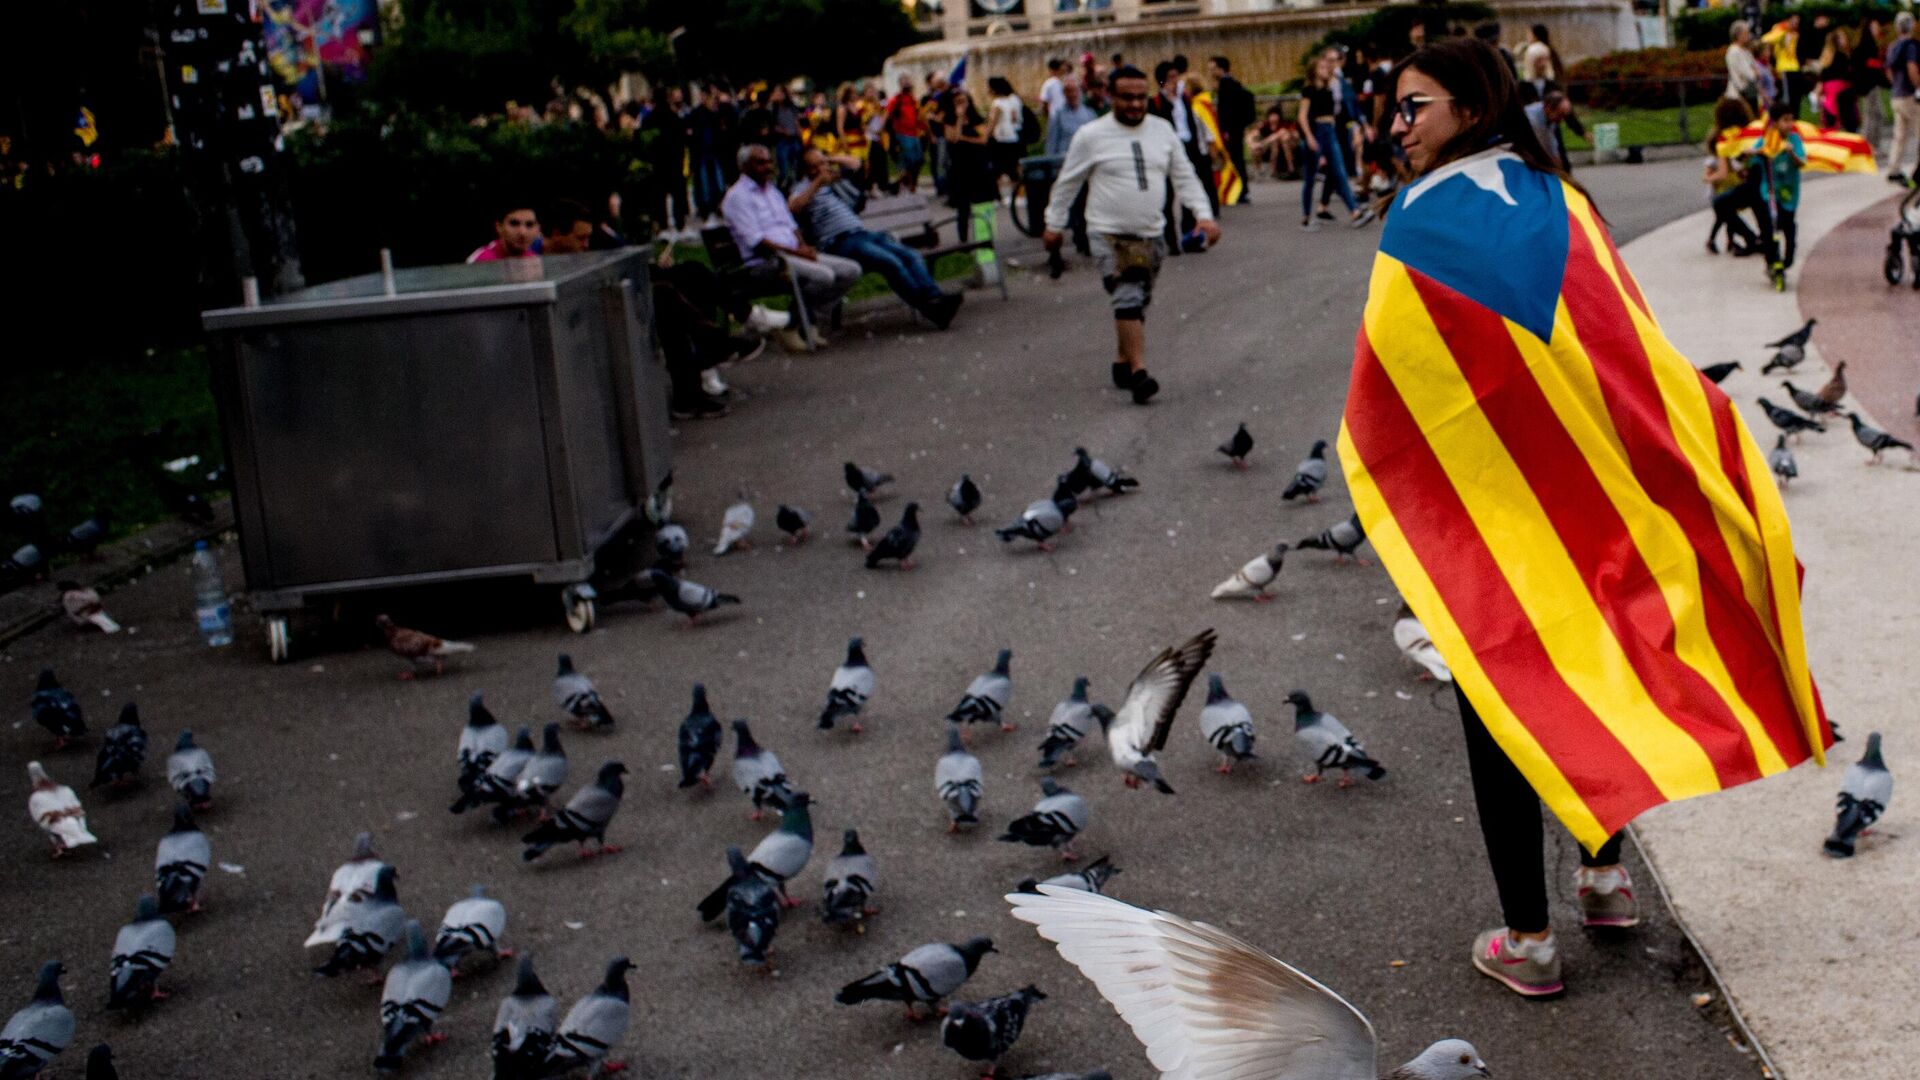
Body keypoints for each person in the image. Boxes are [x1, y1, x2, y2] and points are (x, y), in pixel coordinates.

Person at [1365, 37, 1821, 1001]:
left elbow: (1397, 392)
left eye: (1412, 108)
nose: (1393, 127)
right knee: (1591, 675)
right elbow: (1628, 350)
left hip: (1494, 512)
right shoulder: (1562, 200)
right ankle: (1605, 879)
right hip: (1594, 500)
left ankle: (1529, 939)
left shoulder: (1420, 221)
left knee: (1502, 698)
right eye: (1393, 110)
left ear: (1471, 108)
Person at [1042, 66, 1219, 406]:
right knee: (1127, 294)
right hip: (1107, 233)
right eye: (1127, 97)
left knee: (1138, 302)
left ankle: (1123, 360)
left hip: (1152, 233)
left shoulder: (1162, 131)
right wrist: (1054, 224)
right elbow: (1068, 183)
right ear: (1110, 96)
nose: (1136, 105)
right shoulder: (1091, 135)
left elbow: (1185, 177)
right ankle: (1139, 372)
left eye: (1141, 97)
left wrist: (1204, 217)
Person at [791, 147, 962, 327]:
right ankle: (930, 308)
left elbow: (856, 163)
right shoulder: (802, 188)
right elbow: (793, 207)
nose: (822, 168)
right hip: (840, 243)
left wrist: (827, 158)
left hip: (863, 234)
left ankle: (935, 298)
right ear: (805, 170)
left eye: (823, 163)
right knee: (890, 262)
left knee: (912, 255)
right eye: (815, 166)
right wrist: (817, 182)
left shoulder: (834, 181)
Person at [721, 143, 861, 344]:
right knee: (824, 275)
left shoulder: (772, 191)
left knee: (851, 270)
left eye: (769, 161)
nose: (768, 167)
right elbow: (758, 242)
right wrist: (797, 253)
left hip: (793, 254)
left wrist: (803, 246)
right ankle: (794, 324)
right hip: (767, 261)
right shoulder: (737, 197)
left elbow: (790, 225)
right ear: (744, 167)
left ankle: (804, 321)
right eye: (760, 163)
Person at [1298, 52, 1374, 230]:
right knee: (1310, 177)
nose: (1326, 70)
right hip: (1317, 131)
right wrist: (1309, 137)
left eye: (1327, 67)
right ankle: (1306, 216)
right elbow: (1302, 116)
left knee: (1339, 171)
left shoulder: (1329, 88)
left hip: (1330, 131)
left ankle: (1355, 211)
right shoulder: (1309, 90)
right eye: (1322, 68)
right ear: (1314, 71)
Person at [1149, 60, 1216, 249]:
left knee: (1189, 194)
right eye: (1170, 78)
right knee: (1166, 196)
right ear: (1161, 81)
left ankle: (1190, 237)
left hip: (1188, 147)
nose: (1175, 81)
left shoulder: (1186, 99)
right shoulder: (1155, 102)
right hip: (1165, 150)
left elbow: (1193, 125)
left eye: (1176, 77)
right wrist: (1169, 100)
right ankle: (1170, 240)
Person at [1703, 97, 1758, 255]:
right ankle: (1739, 240)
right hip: (1753, 181)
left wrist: (1707, 178)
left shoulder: (1724, 139)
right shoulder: (1748, 134)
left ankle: (1749, 238)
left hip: (1732, 184)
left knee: (1722, 208)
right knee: (1728, 211)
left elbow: (1722, 172)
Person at [1757, 101, 1808, 268]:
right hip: (1771, 191)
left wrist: (1791, 151)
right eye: (1785, 120)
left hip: (1789, 192)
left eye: (1791, 120)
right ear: (1775, 122)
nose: (1789, 124)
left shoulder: (1794, 139)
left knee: (1788, 224)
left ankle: (1789, 255)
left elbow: (1801, 162)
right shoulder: (1768, 139)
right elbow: (1753, 154)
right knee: (1770, 225)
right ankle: (1772, 260)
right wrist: (1754, 153)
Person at [642, 87, 692, 241]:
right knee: (678, 195)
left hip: (658, 164)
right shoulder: (673, 117)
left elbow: (645, 142)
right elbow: (683, 138)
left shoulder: (649, 119)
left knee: (659, 196)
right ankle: (680, 225)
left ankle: (663, 227)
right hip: (674, 162)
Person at [1209, 56, 1256, 204]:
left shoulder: (1226, 85)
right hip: (1236, 128)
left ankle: (1239, 190)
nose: (1210, 72)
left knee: (1235, 160)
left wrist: (1225, 129)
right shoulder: (1232, 83)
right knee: (1237, 159)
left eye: (1213, 68)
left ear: (1220, 69)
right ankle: (1239, 189)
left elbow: (1227, 110)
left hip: (1231, 130)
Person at [689, 87, 738, 223]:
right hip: (703, 153)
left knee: (719, 182)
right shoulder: (697, 114)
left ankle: (718, 206)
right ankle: (707, 208)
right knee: (705, 183)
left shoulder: (716, 113)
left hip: (715, 153)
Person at [1889, 13, 1920, 185]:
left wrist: (1896, 85)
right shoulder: (1911, 46)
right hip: (1909, 95)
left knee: (1899, 135)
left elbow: (1889, 70)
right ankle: (1918, 171)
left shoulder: (1893, 46)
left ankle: (1894, 169)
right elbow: (1912, 68)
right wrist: (1917, 86)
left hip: (1896, 95)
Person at [885, 75, 929, 195]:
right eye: (904, 82)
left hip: (915, 134)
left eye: (908, 81)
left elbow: (919, 116)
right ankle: (909, 185)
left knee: (919, 160)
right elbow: (887, 115)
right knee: (909, 161)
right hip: (902, 135)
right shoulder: (896, 100)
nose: (907, 84)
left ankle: (907, 184)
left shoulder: (913, 100)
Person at [986, 77, 1028, 192]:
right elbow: (1014, 118)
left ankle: (1000, 193)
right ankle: (1019, 192)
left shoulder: (997, 103)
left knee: (999, 168)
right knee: (1015, 167)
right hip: (1014, 136)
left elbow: (992, 122)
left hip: (1001, 138)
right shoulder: (1012, 99)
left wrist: (986, 135)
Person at [1853, 18, 1889, 150]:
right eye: (1875, 26)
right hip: (1869, 86)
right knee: (1871, 116)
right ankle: (1868, 146)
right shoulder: (1866, 46)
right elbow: (1867, 67)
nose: (1877, 29)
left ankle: (1874, 145)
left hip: (1872, 85)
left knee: (1877, 115)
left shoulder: (1871, 45)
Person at [1760, 14, 1804, 115]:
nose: (1795, 24)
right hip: (1784, 69)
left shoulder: (1796, 35)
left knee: (1796, 97)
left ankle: (1795, 117)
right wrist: (1782, 29)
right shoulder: (1780, 32)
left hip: (1795, 68)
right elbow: (1765, 39)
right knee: (1787, 97)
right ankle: (1786, 116)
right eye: (1793, 21)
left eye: (1797, 22)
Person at [1816, 27, 1857, 131]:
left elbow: (1822, 75)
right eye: (1843, 38)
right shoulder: (1842, 56)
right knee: (1842, 113)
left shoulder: (1827, 56)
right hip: (1840, 87)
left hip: (1828, 89)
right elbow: (1848, 75)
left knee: (1830, 113)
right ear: (1838, 41)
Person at [1044, 77, 1099, 156]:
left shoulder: (1090, 114)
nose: (1072, 94)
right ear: (1064, 93)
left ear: (1079, 91)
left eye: (1075, 90)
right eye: (1068, 91)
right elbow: (1051, 143)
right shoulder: (1057, 116)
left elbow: (1096, 140)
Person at [468, 202, 539, 262]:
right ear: (499, 227)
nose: (523, 233)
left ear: (538, 228)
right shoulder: (482, 260)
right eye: (514, 224)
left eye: (529, 224)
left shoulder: (534, 260)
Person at [1249, 105, 1301, 179]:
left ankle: (1290, 169)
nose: (1273, 117)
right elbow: (1251, 135)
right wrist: (1252, 144)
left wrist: (1261, 144)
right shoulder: (1265, 125)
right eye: (1271, 115)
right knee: (1256, 149)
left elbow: (1277, 135)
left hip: (1288, 148)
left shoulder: (1284, 124)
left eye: (1275, 115)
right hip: (1271, 149)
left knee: (1282, 140)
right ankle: (1258, 171)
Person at [768, 85, 805, 188]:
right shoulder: (773, 108)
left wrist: (801, 137)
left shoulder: (792, 107)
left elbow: (796, 123)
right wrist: (784, 131)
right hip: (782, 140)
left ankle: (794, 187)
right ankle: (782, 186)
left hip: (794, 139)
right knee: (783, 169)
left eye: (780, 93)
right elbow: (772, 125)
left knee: (796, 167)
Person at [1726, 21, 1762, 110]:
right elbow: (1750, 74)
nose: (1749, 36)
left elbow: (1756, 70)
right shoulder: (1734, 51)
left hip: (1750, 93)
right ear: (1738, 35)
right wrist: (1755, 72)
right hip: (1740, 95)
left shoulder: (1746, 51)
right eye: (1746, 33)